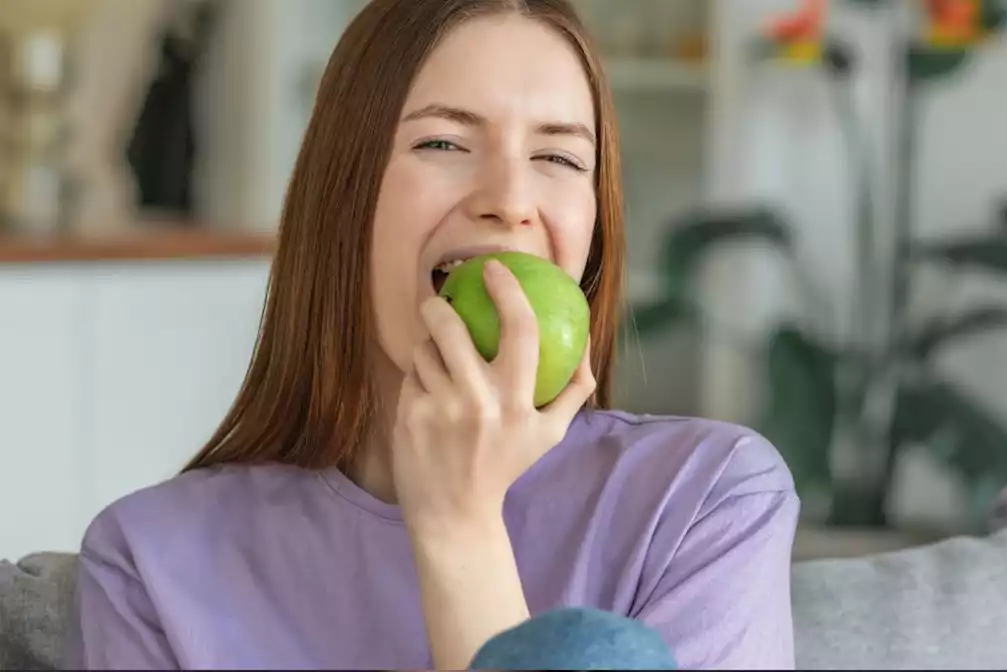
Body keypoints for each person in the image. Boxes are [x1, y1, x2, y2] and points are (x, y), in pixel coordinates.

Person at [64, 0, 800, 669]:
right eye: (444, 144)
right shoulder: (150, 566)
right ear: (341, 195)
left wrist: (460, 527)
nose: (510, 202)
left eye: (559, 158)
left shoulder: (706, 503)